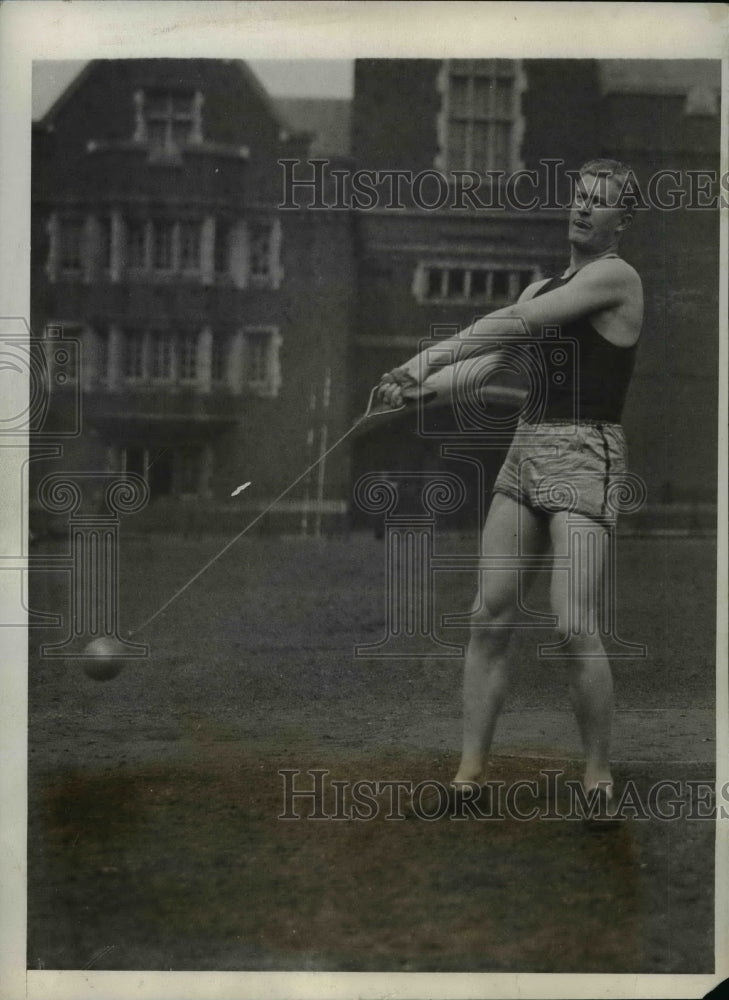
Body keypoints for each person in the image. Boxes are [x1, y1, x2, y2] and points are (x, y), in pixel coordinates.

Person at [378, 159, 643, 816]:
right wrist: (415, 390)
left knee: (571, 622)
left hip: (585, 454)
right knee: (488, 615)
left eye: (599, 200)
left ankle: (597, 780)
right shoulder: (538, 287)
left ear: (621, 221)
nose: (582, 207)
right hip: (526, 449)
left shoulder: (616, 277)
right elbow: (494, 362)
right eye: (578, 196)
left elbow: (514, 325)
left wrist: (421, 358)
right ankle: (468, 778)